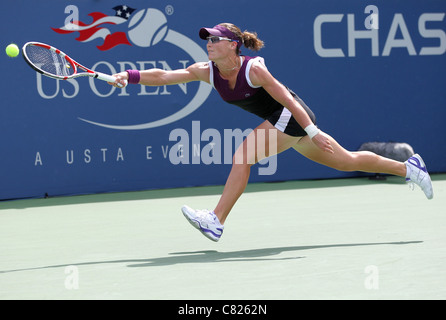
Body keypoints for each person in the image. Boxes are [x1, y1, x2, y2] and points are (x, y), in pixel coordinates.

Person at [110, 23, 434, 242]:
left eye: (215, 40)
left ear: (232, 45)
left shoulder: (254, 69)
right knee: (346, 161)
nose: (208, 44)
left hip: (293, 117)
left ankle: (216, 220)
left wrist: (312, 129)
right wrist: (128, 75)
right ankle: (409, 168)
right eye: (206, 40)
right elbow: (166, 76)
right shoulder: (206, 71)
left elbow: (286, 98)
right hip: (288, 124)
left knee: (243, 155)